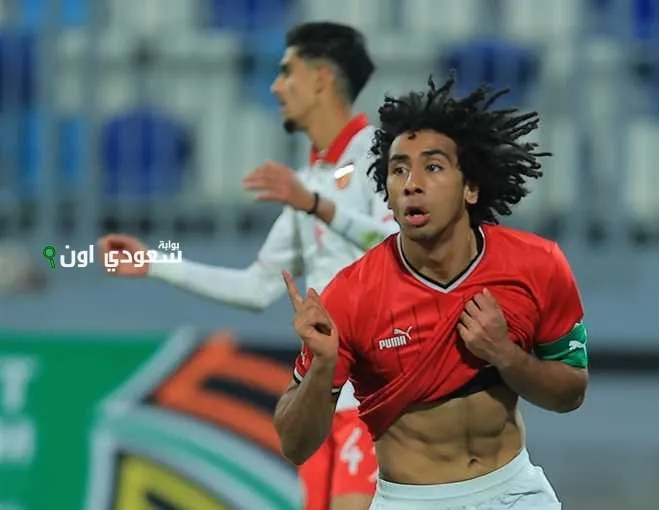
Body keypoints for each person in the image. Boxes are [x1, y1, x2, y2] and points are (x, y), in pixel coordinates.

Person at [98, 22, 396, 510]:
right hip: (323, 404)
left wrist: (316, 205)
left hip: (375, 398)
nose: (276, 87)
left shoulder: (376, 155)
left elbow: (399, 242)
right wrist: (152, 262)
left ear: (321, 77)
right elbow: (256, 287)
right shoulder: (308, 180)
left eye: (287, 72)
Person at [273, 75, 590, 510]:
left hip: (515, 493)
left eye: (433, 167)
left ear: (470, 188)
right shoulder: (350, 295)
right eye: (398, 169)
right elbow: (295, 445)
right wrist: (322, 369)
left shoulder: (537, 266)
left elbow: (571, 394)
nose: (412, 183)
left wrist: (506, 355)